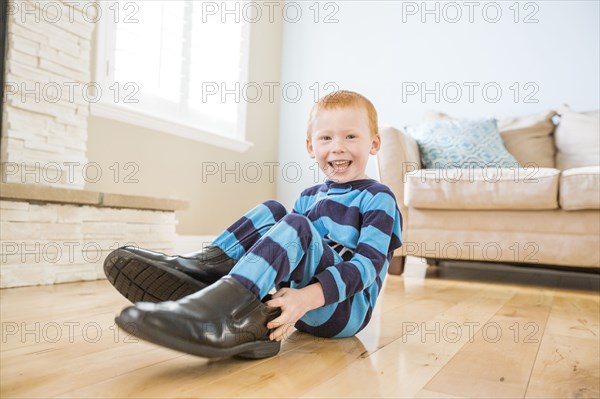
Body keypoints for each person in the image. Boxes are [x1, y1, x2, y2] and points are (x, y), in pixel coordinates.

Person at [106, 90, 403, 360]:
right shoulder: (309, 197)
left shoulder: (378, 198)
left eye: (351, 137)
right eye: (326, 138)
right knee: (274, 210)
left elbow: (367, 268)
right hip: (293, 306)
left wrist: (305, 298)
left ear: (374, 143)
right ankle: (204, 272)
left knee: (296, 226)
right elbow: (284, 259)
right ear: (311, 147)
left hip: (343, 311)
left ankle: (219, 307)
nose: (338, 148)